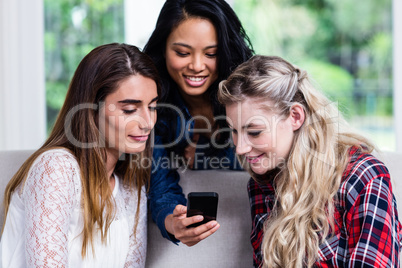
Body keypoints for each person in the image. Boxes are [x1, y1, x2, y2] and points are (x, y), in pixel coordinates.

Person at [218, 55, 402, 267]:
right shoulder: (262, 183)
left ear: (295, 117)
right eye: (234, 130)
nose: (240, 148)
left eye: (255, 132)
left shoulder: (362, 177)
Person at [0, 43, 160, 267]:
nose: (147, 122)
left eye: (152, 107)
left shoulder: (132, 188)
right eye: (130, 110)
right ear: (92, 109)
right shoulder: (55, 168)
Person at [143, 0, 254, 246]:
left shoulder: (250, 91)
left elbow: (274, 156)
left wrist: (202, 155)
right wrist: (174, 222)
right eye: (182, 53)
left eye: (211, 54)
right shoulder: (151, 105)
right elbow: (160, 186)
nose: (196, 66)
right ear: (163, 48)